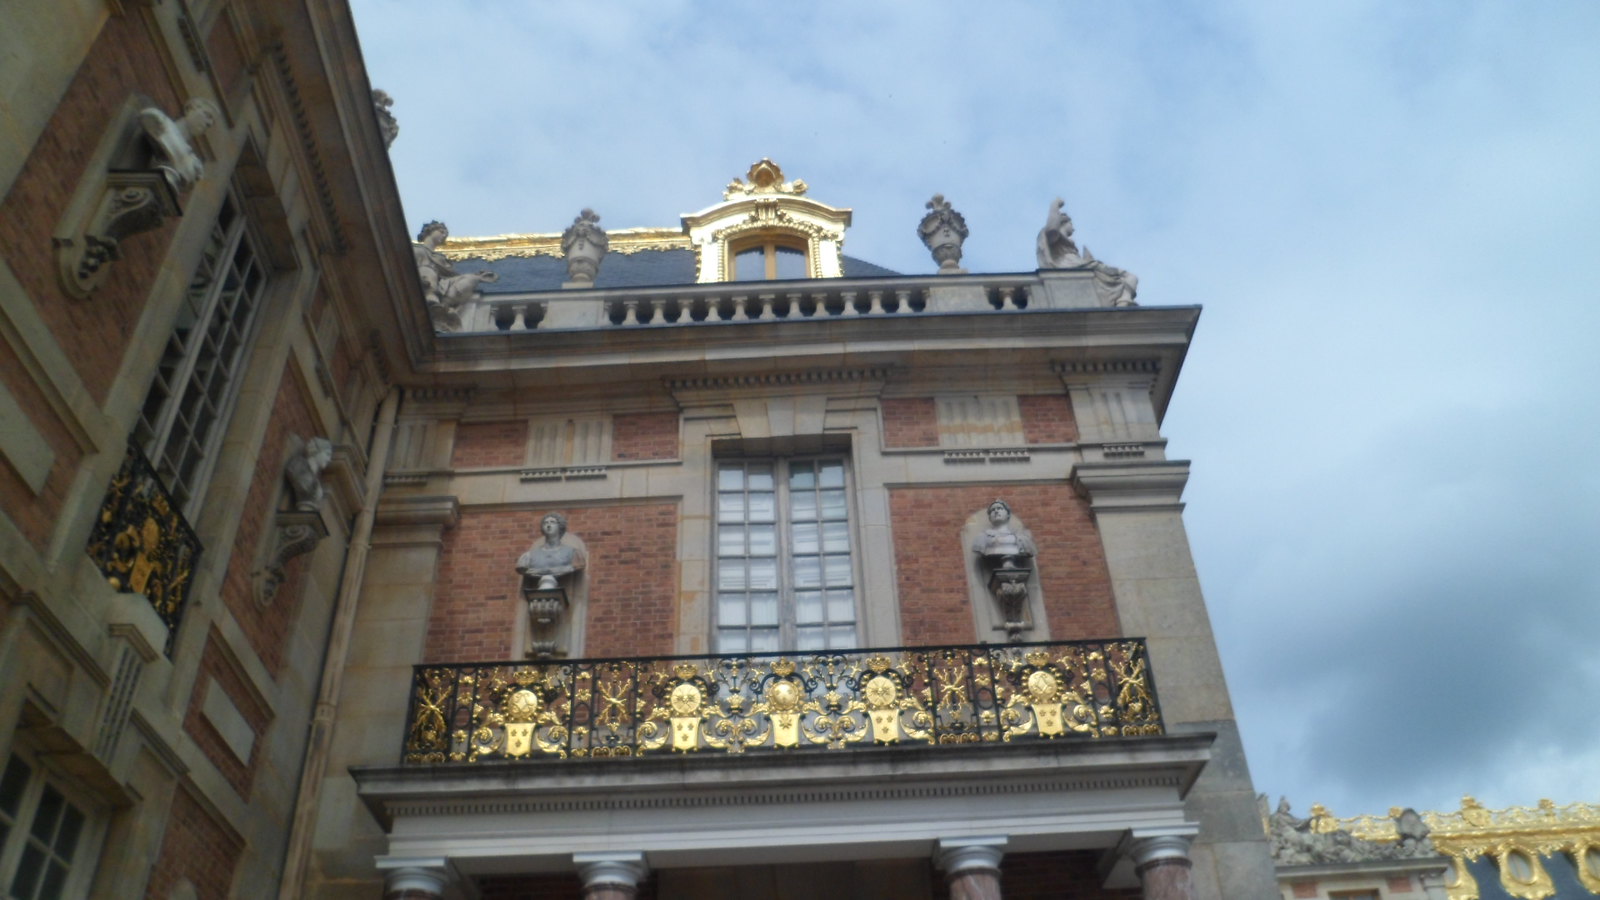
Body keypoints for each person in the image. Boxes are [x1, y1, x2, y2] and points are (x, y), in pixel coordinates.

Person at [516, 513, 584, 591]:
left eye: (552, 522)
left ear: (560, 527)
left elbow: (577, 566)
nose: (548, 525)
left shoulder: (573, 553)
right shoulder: (529, 556)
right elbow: (522, 568)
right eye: (546, 523)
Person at [971, 499, 1036, 568]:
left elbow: (1029, 550)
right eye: (992, 510)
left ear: (1008, 514)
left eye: (1000, 508)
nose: (996, 511)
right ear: (989, 517)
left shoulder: (1021, 537)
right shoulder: (982, 538)